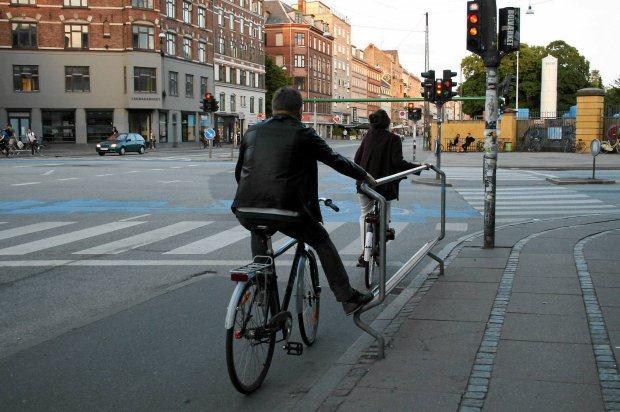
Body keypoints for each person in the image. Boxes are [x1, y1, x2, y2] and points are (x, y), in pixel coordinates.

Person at [232, 87, 376, 315]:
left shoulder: (252, 132)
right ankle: (347, 297)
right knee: (320, 240)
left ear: (272, 108)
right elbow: (335, 160)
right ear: (299, 111)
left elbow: (240, 172)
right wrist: (364, 175)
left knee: (258, 230)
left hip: (245, 208)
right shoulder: (303, 133)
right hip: (287, 210)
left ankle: (262, 290)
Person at [353, 109, 422, 267]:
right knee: (384, 217)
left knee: (364, 214)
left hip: (364, 184)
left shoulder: (367, 137)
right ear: (388, 123)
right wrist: (417, 168)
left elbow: (357, 159)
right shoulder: (394, 139)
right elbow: (398, 163)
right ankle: (383, 236)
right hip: (384, 186)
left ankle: (365, 251)